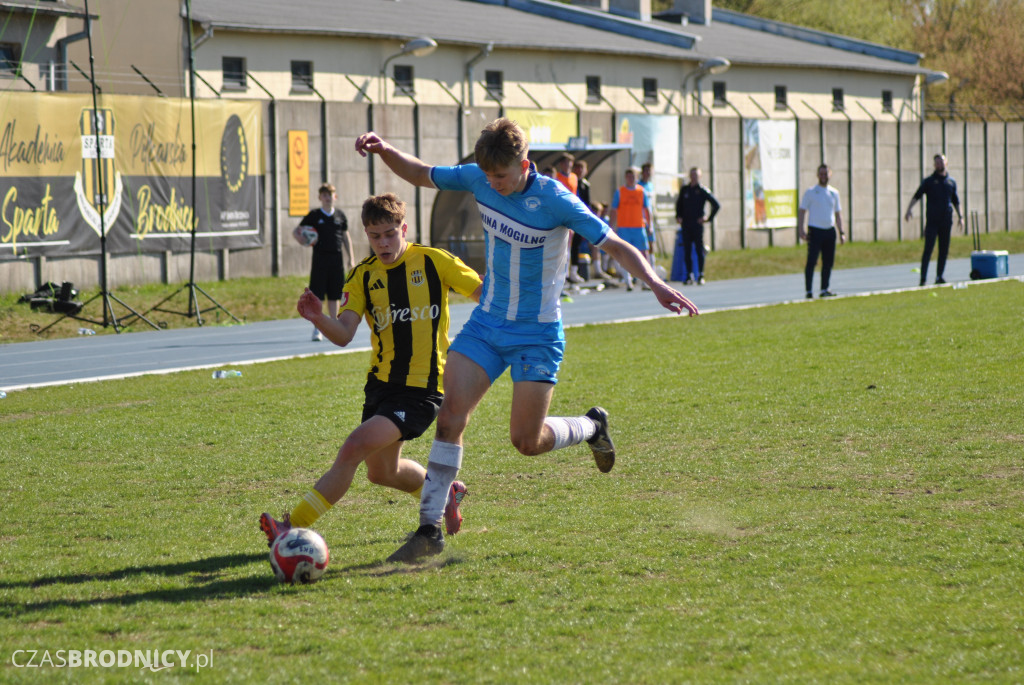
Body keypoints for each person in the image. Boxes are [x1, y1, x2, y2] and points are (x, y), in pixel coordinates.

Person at [355, 118, 698, 562]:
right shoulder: (480, 177)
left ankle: (592, 426)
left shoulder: (556, 199)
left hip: (537, 335)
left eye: (501, 176)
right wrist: (385, 150)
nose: (493, 184)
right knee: (449, 420)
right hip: (487, 325)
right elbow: (423, 174)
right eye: (488, 176)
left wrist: (655, 283)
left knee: (526, 441)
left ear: (525, 164)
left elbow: (612, 244)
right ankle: (429, 528)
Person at [260, 193, 483, 549]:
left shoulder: (433, 261)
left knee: (354, 445)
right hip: (380, 387)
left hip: (421, 389)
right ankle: (445, 493)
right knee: (382, 473)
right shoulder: (363, 277)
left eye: (390, 233)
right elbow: (345, 334)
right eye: (375, 235)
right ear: (366, 234)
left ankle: (292, 525)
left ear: (404, 228)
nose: (383, 242)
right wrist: (319, 317)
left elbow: (484, 293)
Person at [293, 183, 354, 341]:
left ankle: (334, 326)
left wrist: (351, 258)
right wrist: (302, 240)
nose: (327, 198)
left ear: (335, 197)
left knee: (335, 295)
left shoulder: (340, 215)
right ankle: (317, 329)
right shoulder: (314, 215)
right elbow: (297, 231)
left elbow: (346, 237)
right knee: (317, 294)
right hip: (320, 259)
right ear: (320, 198)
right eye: (324, 195)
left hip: (337, 259)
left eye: (330, 195)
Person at [905, 153, 963, 285]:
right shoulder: (929, 181)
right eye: (937, 162)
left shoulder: (951, 182)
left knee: (944, 250)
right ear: (934, 165)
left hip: (946, 221)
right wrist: (909, 209)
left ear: (946, 163)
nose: (939, 164)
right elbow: (917, 195)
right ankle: (923, 278)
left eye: (941, 162)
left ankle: (939, 276)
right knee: (928, 250)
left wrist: (961, 217)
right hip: (932, 221)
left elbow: (956, 201)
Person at [797, 164, 845, 299]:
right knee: (812, 261)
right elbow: (802, 211)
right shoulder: (811, 192)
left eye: (826, 174)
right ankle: (808, 291)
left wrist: (841, 232)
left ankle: (825, 288)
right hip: (815, 230)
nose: (823, 177)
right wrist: (801, 229)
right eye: (821, 174)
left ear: (830, 175)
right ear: (818, 175)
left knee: (828, 262)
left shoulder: (834, 193)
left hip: (829, 231)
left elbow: (838, 214)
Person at [674, 167, 720, 285]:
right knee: (687, 250)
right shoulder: (685, 190)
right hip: (686, 225)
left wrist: (708, 219)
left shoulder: (703, 190)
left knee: (699, 250)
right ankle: (689, 275)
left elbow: (716, 205)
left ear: (700, 176)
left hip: (697, 225)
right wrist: (678, 216)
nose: (694, 177)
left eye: (696, 175)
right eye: (692, 175)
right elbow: (679, 205)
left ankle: (700, 274)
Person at [609, 167, 651, 291]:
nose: (630, 179)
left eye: (633, 177)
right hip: (624, 227)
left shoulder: (641, 191)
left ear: (636, 178)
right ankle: (628, 280)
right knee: (625, 254)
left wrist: (650, 225)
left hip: (639, 227)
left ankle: (645, 281)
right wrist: (612, 226)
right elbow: (613, 210)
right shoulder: (620, 192)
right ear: (625, 178)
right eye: (628, 177)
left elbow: (647, 209)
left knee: (644, 253)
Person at [639, 162, 657, 263]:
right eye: (646, 171)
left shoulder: (651, 185)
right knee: (641, 245)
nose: (648, 173)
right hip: (641, 218)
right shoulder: (639, 185)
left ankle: (652, 266)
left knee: (651, 244)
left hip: (650, 217)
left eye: (650, 171)